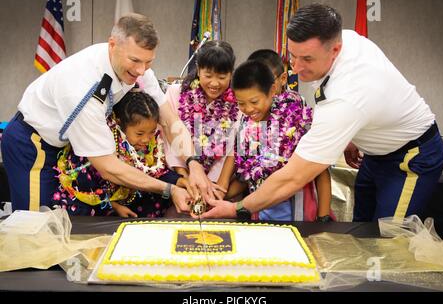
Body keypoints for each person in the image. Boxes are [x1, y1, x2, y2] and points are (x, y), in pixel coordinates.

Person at [202, 4, 443, 222]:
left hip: (411, 155)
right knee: (362, 229)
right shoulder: (345, 38)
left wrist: (237, 209)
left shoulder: (347, 95)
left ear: (335, 49)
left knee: (390, 239)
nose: (296, 67)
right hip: (374, 155)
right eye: (292, 56)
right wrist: (350, 133)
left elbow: (293, 177)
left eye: (307, 59)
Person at [1, 13, 215, 213]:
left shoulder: (138, 69)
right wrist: (169, 189)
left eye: (148, 62)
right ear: (112, 45)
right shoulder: (84, 88)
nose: (141, 70)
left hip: (65, 147)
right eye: (135, 61)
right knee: (37, 225)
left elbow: (169, 120)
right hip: (33, 144)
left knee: (62, 223)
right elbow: (108, 167)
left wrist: (193, 163)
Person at [222, 60, 331, 221]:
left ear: (272, 90)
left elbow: (320, 169)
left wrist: (323, 218)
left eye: (254, 102)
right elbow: (247, 176)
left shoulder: (295, 119)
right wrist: (217, 197)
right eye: (241, 103)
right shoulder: (246, 125)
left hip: (297, 213)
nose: (248, 109)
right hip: (259, 212)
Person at [53, 90, 190, 218]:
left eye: (151, 132)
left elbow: (154, 171)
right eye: (139, 133)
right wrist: (114, 206)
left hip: (129, 197)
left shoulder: (150, 143)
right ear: (120, 124)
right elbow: (86, 184)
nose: (146, 139)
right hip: (96, 200)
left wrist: (179, 181)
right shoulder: (103, 143)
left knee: (156, 199)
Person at [163, 40, 240, 200]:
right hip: (181, 180)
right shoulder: (175, 93)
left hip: (218, 185)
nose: (214, 83)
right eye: (208, 75)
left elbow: (235, 146)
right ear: (198, 70)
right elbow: (168, 136)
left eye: (221, 77)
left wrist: (219, 187)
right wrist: (184, 178)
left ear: (231, 73)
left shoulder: (239, 101)